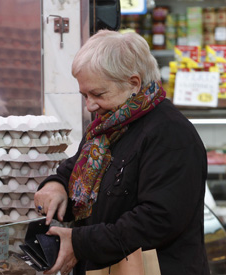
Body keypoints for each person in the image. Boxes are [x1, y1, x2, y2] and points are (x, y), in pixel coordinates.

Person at [34, 30, 209, 275]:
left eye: (98, 94)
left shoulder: (171, 134)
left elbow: (157, 220)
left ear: (133, 83)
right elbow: (75, 168)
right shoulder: (107, 126)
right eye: (84, 95)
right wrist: (56, 185)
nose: (90, 105)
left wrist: (80, 242)